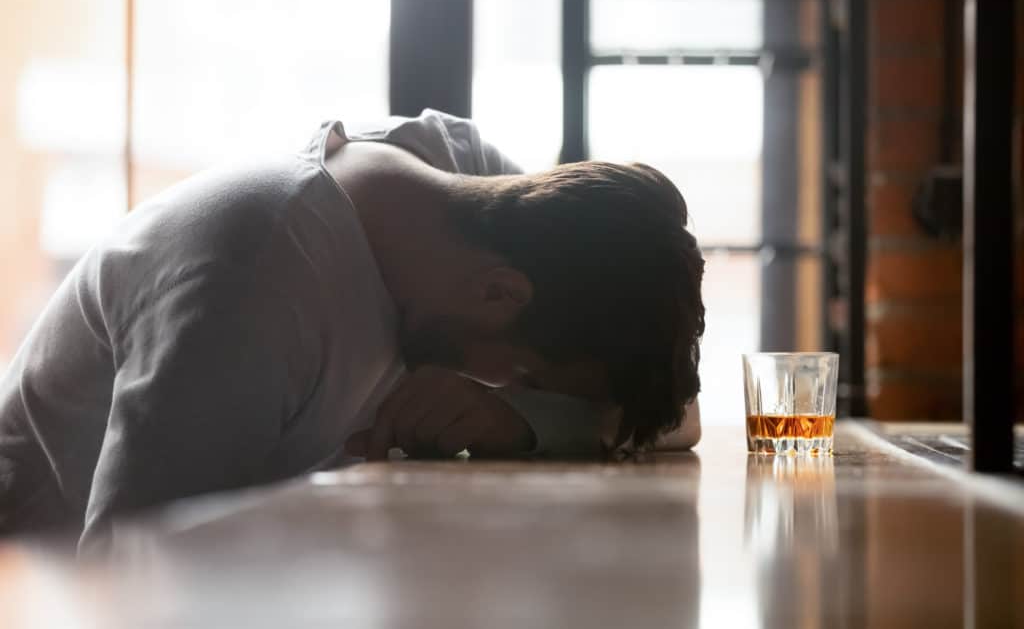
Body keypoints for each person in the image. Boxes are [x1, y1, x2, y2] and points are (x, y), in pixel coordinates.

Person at [0, 109, 705, 552]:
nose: (512, 387)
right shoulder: (252, 284)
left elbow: (675, 419)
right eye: (527, 377)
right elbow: (128, 577)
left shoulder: (469, 190)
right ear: (498, 294)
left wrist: (521, 422)